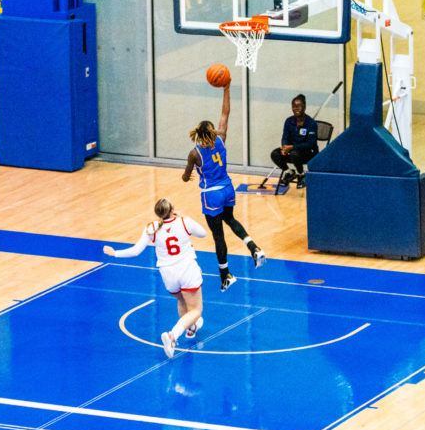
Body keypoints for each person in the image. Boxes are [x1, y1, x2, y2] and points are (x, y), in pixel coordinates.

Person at [182, 82, 265, 293]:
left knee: (218, 235)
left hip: (211, 194)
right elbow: (225, 112)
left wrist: (188, 174)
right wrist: (226, 88)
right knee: (231, 219)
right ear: (211, 131)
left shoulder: (195, 153)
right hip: (228, 187)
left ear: (199, 135)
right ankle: (253, 247)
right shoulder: (221, 139)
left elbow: (185, 177)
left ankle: (225, 276)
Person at [103, 198, 206, 359]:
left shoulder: (152, 228)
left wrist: (115, 253)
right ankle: (173, 334)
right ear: (172, 210)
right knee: (196, 310)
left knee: (181, 301)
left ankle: (190, 329)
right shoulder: (184, 222)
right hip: (186, 269)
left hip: (168, 273)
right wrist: (183, 217)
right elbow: (203, 233)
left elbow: (136, 251)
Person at [270, 93, 319, 189]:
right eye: (294, 106)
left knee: (294, 154)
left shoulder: (311, 123)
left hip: (308, 153)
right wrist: (284, 147)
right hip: (292, 152)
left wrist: (292, 147)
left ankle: (301, 175)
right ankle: (289, 172)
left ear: (304, 107)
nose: (296, 108)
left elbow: (310, 144)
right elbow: (285, 137)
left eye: (299, 106)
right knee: (275, 154)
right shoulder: (289, 121)